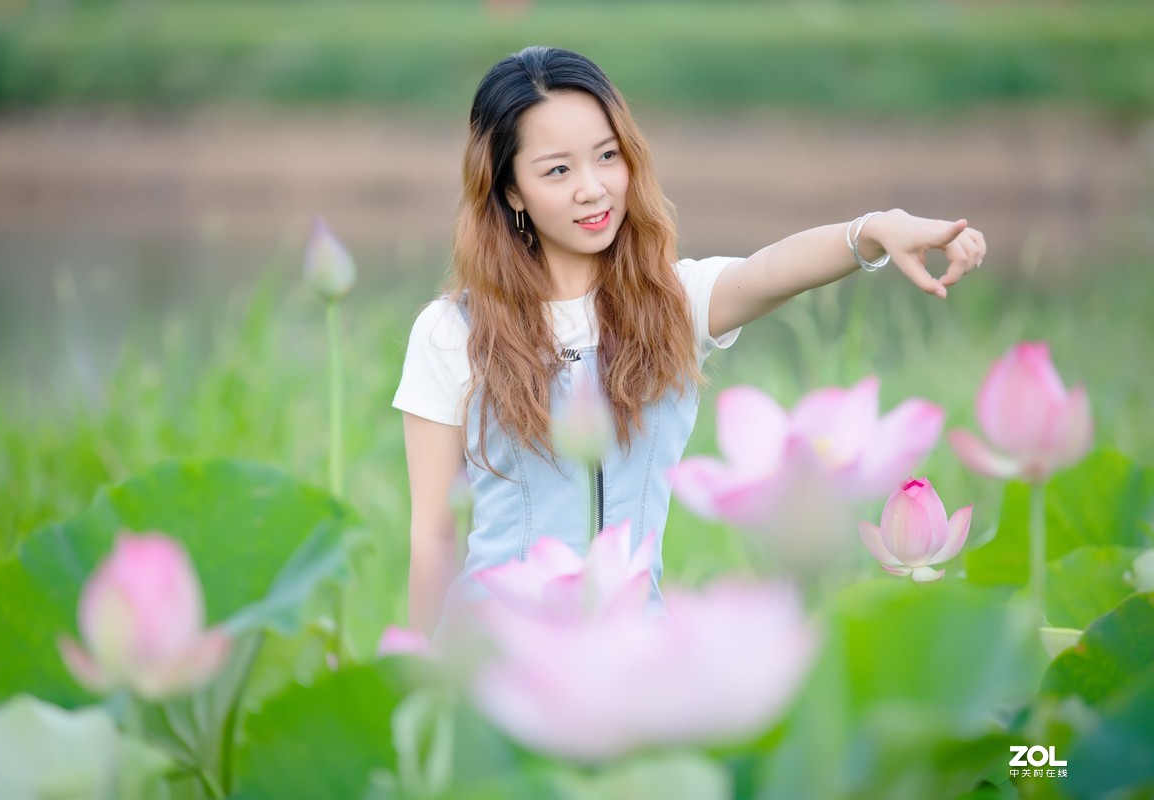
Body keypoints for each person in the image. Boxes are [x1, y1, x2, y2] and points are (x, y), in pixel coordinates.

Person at [392, 46, 986, 635]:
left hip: (638, 651)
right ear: (510, 190)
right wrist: (418, 673)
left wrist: (877, 230)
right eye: (557, 170)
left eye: (607, 156)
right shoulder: (450, 333)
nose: (594, 188)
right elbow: (435, 533)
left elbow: (772, 268)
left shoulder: (671, 303)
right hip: (497, 659)